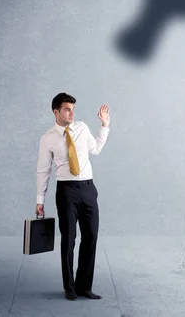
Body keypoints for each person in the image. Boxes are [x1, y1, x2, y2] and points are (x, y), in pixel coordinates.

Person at [35, 92, 110, 301]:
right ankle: (69, 288)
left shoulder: (82, 128)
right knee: (68, 239)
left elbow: (95, 149)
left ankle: (84, 286)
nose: (71, 113)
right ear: (56, 112)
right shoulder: (48, 138)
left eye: (73, 109)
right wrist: (40, 201)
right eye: (67, 109)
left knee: (91, 237)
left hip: (88, 188)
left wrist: (104, 126)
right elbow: (43, 171)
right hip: (66, 191)